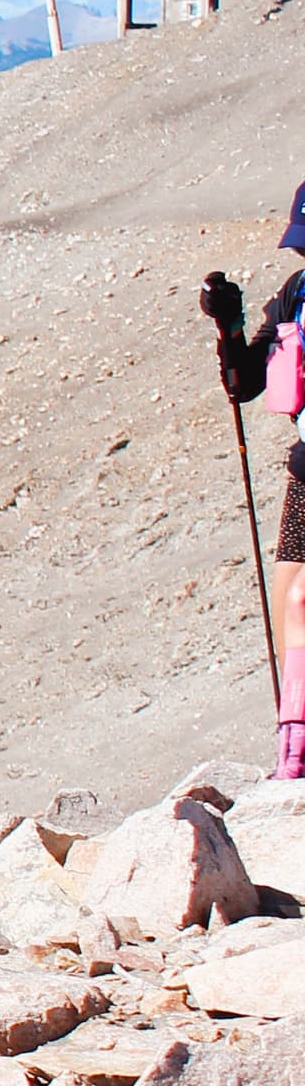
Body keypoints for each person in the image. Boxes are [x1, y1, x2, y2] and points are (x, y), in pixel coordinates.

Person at [214, 180, 305, 778]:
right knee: (294, 596)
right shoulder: (298, 294)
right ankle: (295, 744)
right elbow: (244, 384)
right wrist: (230, 327)